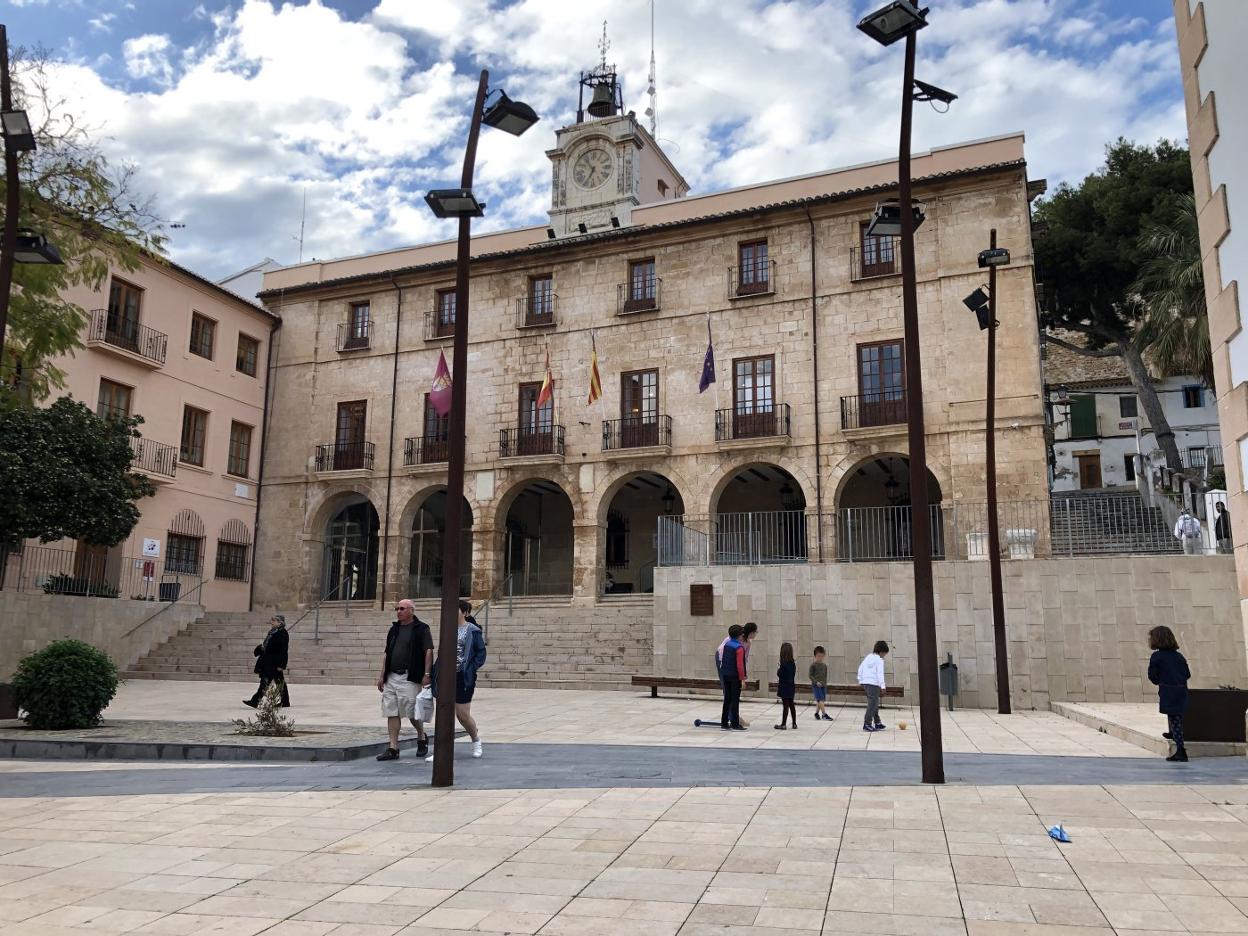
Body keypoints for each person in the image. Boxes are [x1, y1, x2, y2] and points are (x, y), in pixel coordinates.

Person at [427, 600, 487, 761]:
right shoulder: (448, 629)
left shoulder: (473, 630)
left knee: (462, 715)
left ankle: (476, 740)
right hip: (445, 675)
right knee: (444, 712)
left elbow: (481, 654)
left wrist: (471, 668)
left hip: (463, 676)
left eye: (456, 610)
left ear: (465, 613)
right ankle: (440, 749)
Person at [376, 598, 434, 761]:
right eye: (397, 608)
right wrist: (382, 675)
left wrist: (427, 674)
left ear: (411, 610)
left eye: (402, 608)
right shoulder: (393, 630)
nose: (398, 611)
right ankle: (393, 748)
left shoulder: (421, 628)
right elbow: (387, 653)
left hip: (410, 676)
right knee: (391, 711)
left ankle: (421, 736)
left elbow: (428, 651)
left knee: (411, 711)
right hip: (391, 676)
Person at [1147, 625, 1191, 763]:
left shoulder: (1157, 657)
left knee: (1174, 718)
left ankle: (1180, 750)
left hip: (1168, 690)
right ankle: (1173, 733)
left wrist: (1162, 680)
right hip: (1181, 689)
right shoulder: (1179, 656)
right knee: (1175, 715)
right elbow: (1187, 674)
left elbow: (1153, 677)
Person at [246, 614, 289, 708]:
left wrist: (281, 665)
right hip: (269, 662)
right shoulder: (272, 632)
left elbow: (283, 650)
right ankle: (285, 702)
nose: (271, 622)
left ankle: (255, 701)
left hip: (275, 663)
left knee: (267, 682)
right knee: (277, 683)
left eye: (274, 620)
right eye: (272, 620)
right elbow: (268, 646)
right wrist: (261, 649)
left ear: (279, 622)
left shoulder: (283, 633)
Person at [718, 624, 746, 731]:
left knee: (727, 699)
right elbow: (740, 665)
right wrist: (742, 679)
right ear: (740, 635)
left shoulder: (727, 645)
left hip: (726, 675)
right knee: (735, 700)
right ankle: (735, 724)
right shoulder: (739, 647)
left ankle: (724, 723)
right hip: (735, 676)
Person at [857, 640, 889, 732]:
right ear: (881, 651)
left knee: (874, 703)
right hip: (873, 684)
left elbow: (860, 668)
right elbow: (880, 674)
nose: (884, 656)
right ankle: (867, 724)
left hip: (866, 683)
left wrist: (860, 680)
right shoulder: (879, 660)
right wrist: (883, 686)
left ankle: (877, 722)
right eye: (884, 654)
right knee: (872, 704)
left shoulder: (868, 657)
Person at [774, 642, 797, 730]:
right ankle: (794, 723)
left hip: (784, 686)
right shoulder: (793, 663)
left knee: (785, 705)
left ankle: (783, 724)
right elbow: (792, 674)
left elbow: (780, 674)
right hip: (791, 685)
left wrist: (778, 668)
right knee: (791, 704)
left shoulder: (782, 663)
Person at [809, 646, 830, 721]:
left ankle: (816, 713)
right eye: (818, 656)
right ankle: (824, 715)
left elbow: (825, 676)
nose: (820, 658)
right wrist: (816, 682)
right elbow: (810, 675)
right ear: (815, 656)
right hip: (816, 685)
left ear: (824, 656)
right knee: (820, 699)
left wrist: (824, 684)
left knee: (821, 700)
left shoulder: (824, 666)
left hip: (823, 685)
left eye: (821, 656)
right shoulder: (813, 665)